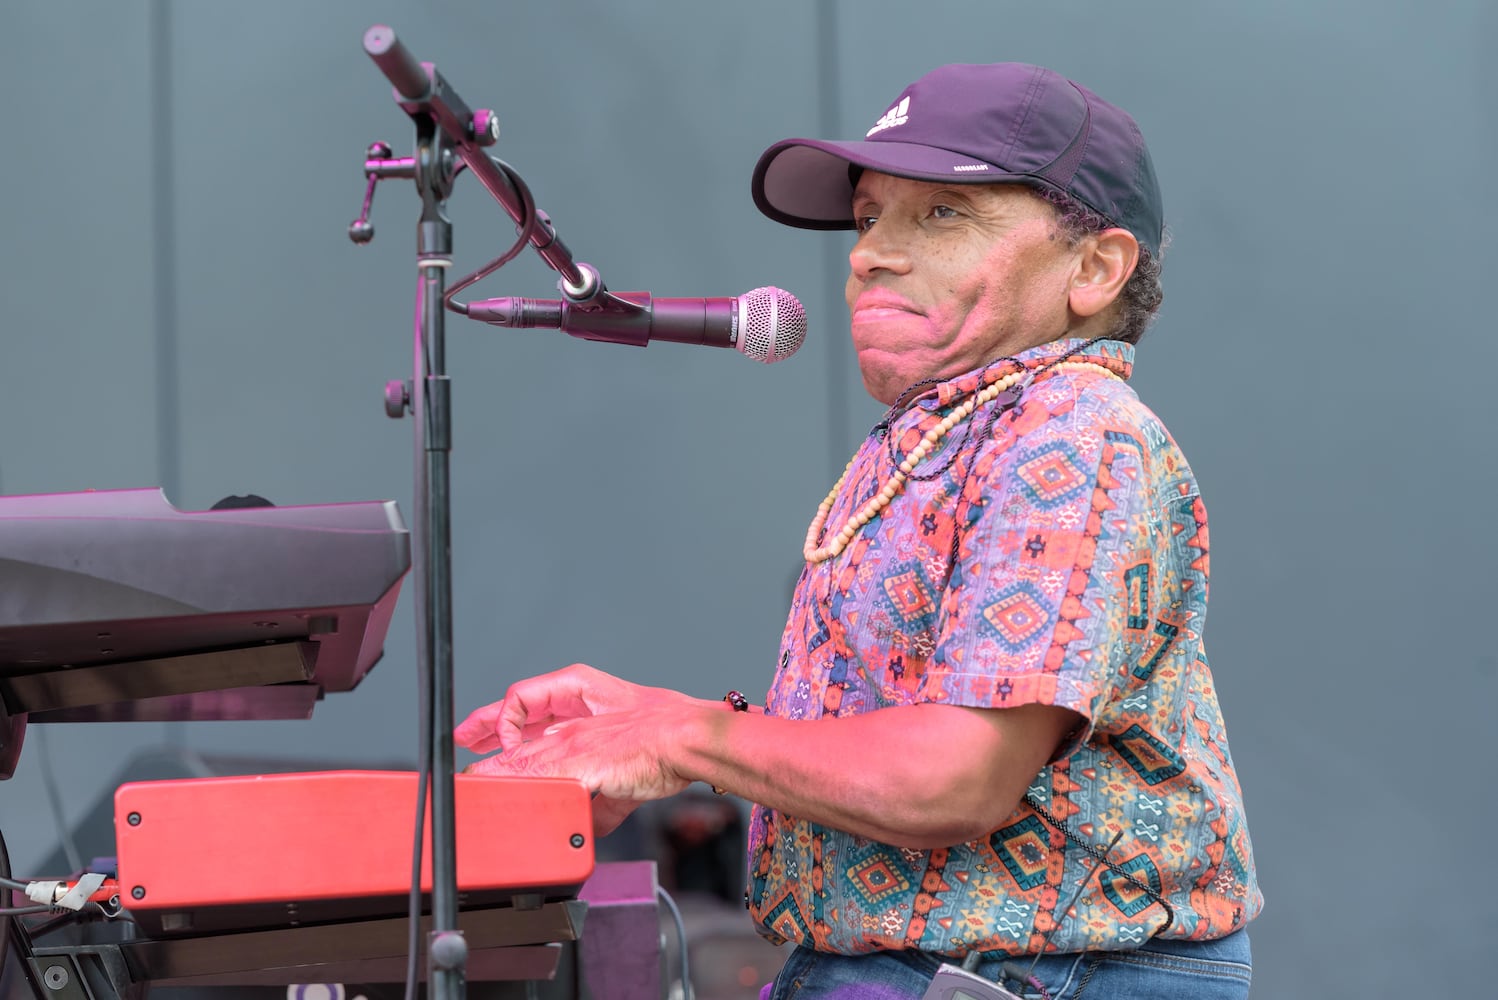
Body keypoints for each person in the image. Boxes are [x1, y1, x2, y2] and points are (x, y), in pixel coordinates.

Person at [457, 62, 1262, 999]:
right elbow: (901, 738)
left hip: (1040, 975)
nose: (870, 252)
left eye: (944, 215)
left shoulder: (1072, 429)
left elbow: (954, 780)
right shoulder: (957, 427)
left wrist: (687, 737)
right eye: (872, 216)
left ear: (1094, 269)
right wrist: (647, 731)